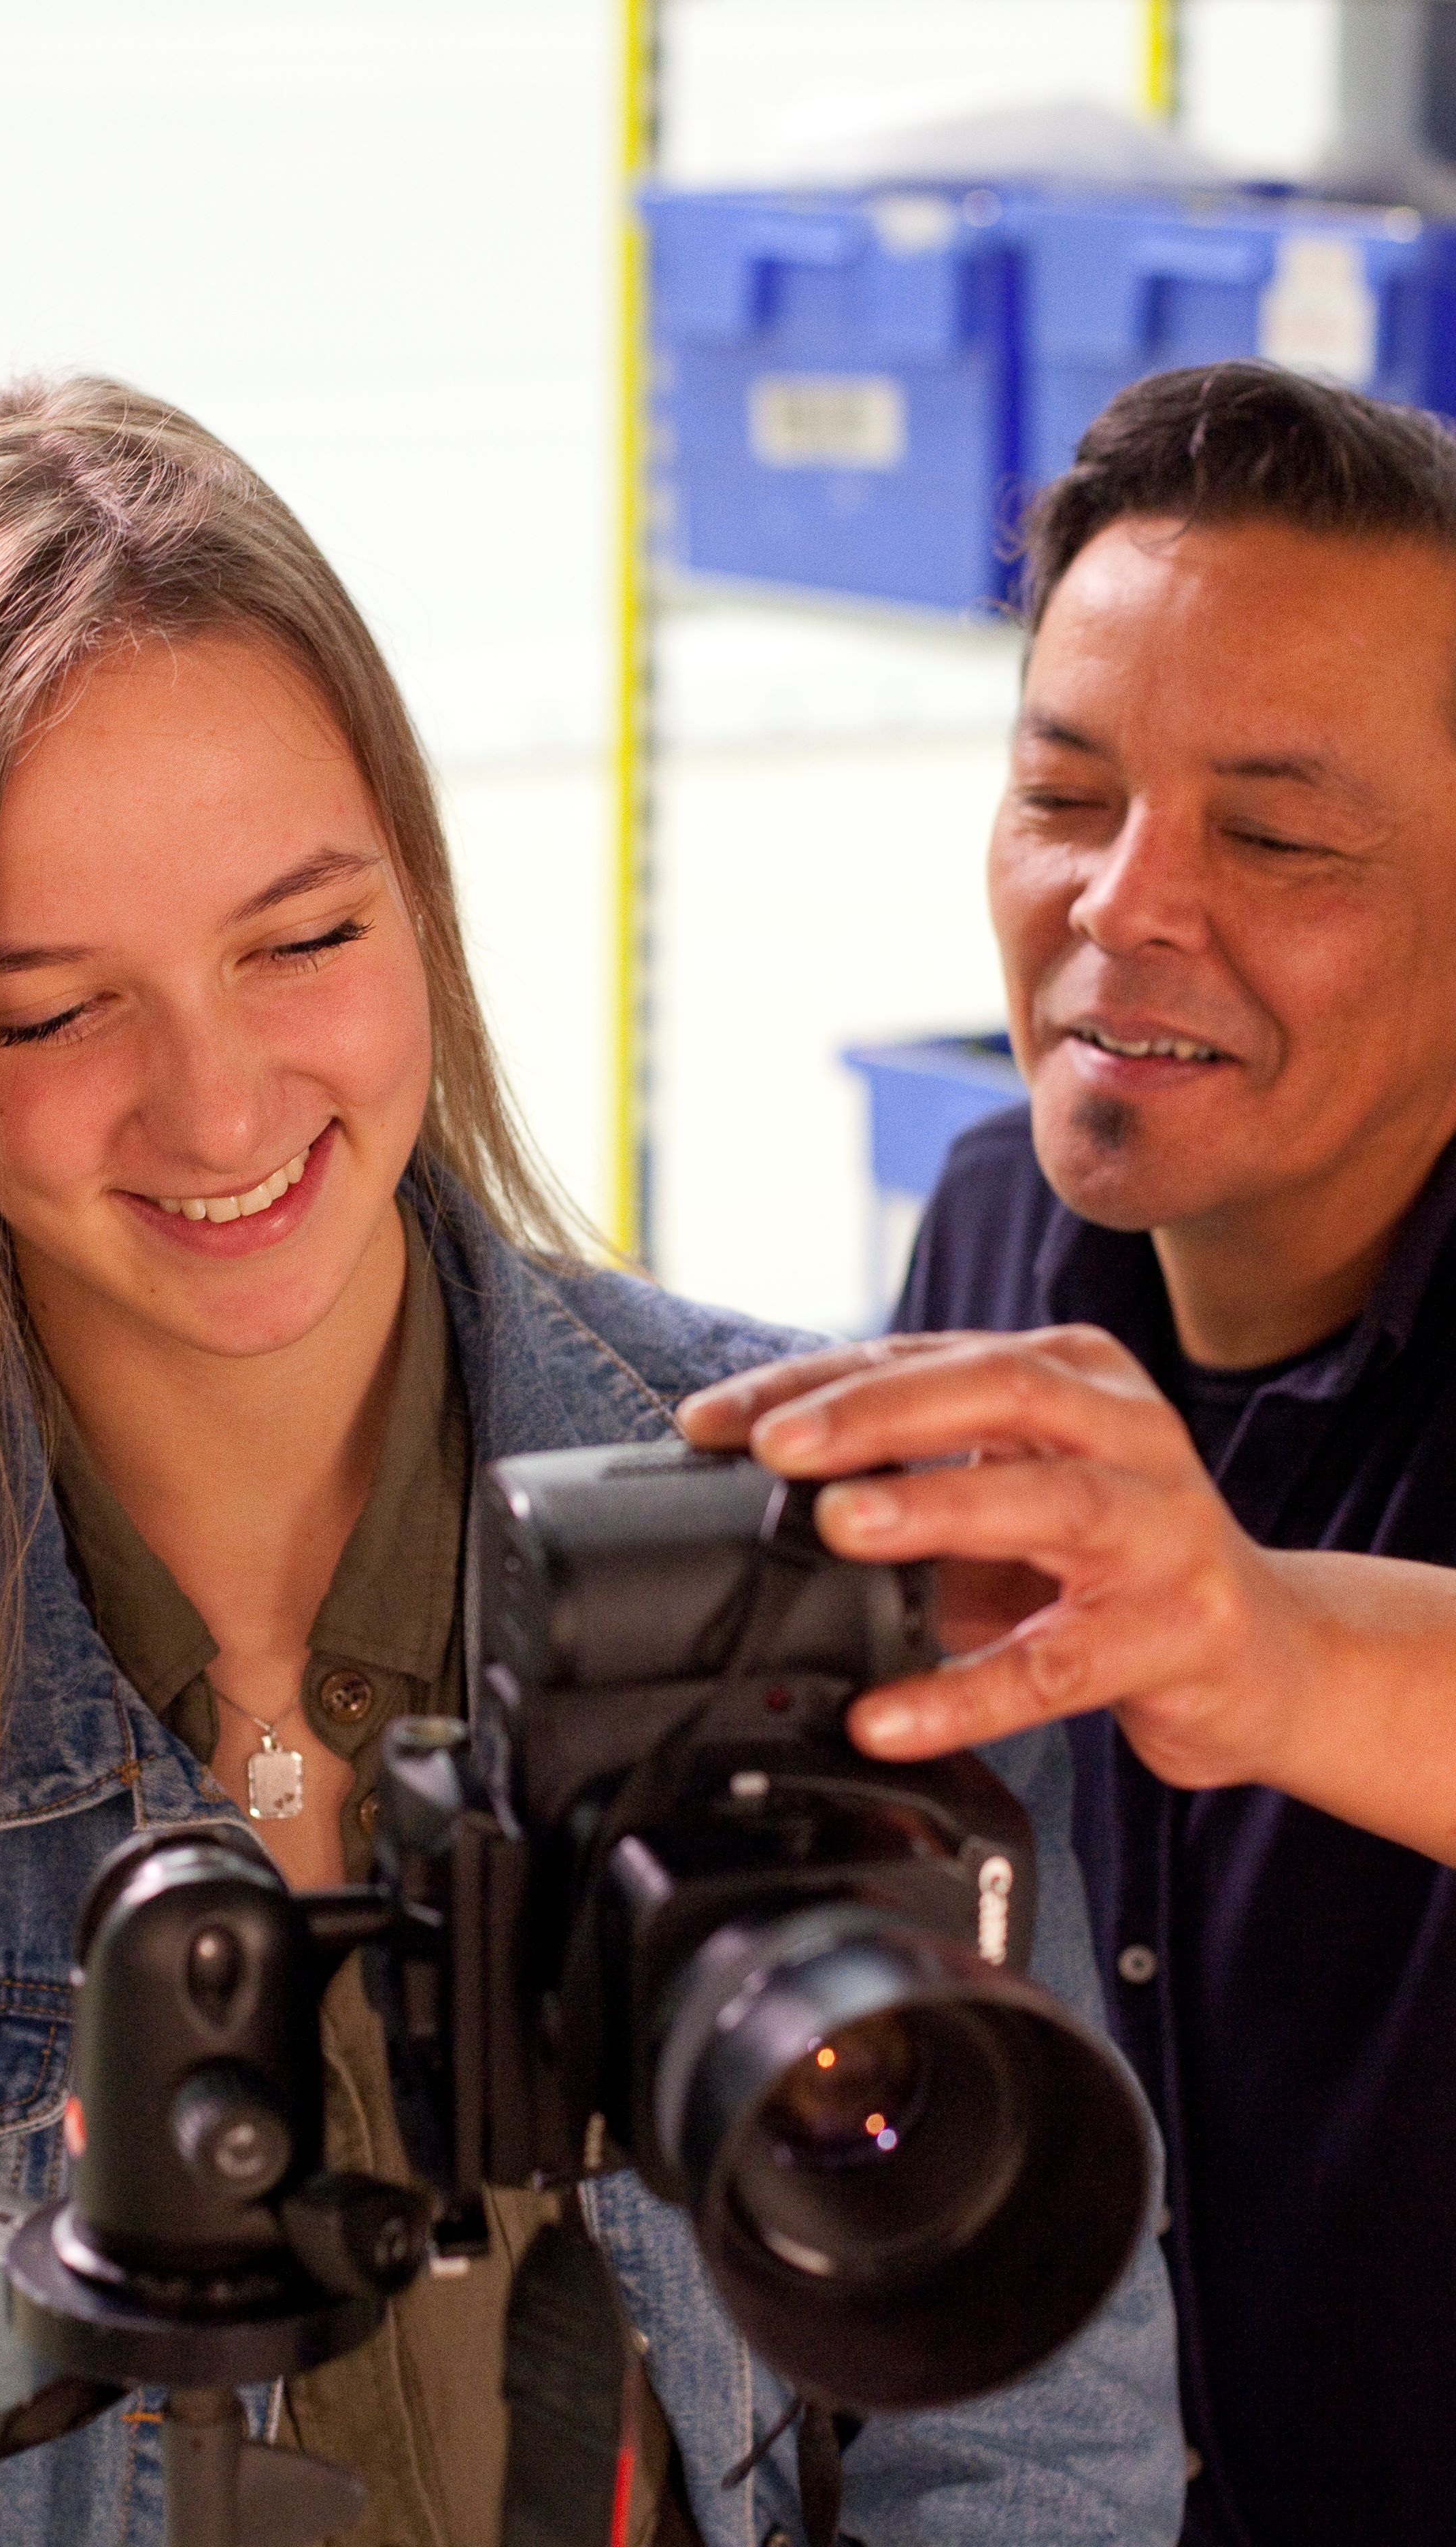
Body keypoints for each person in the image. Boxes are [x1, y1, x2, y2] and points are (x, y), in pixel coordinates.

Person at [0, 377, 1182, 2547]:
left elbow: (1024, 2455)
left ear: (417, 891)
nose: (223, 1111)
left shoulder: (824, 1538)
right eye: (52, 1009)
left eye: (305, 939)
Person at [681, 361, 1456, 2547]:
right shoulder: (1008, 1228)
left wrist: (1274, 1645)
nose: (1125, 904)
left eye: (1280, 835)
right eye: (1063, 792)